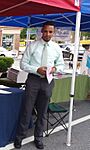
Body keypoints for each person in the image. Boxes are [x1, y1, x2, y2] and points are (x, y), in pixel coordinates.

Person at [14, 21, 64, 149]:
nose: (48, 34)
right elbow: (23, 64)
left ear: (54, 32)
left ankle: (38, 138)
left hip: (48, 81)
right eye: (46, 31)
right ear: (41, 31)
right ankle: (19, 137)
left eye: (50, 31)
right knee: (27, 110)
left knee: (42, 112)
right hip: (33, 80)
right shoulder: (32, 46)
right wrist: (36, 69)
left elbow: (61, 65)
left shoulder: (56, 48)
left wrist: (54, 69)